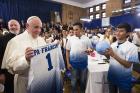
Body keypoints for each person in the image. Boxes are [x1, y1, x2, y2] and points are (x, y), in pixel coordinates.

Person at [1, 16, 47, 93]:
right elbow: (11, 66)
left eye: (40, 27)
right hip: (24, 82)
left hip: (39, 80)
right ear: (27, 26)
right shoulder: (15, 41)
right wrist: (25, 59)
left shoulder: (41, 40)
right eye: (36, 27)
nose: (39, 30)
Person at [104, 23, 139, 93]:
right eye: (117, 31)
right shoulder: (113, 44)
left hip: (124, 79)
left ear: (128, 33)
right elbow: (110, 58)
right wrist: (105, 54)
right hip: (112, 76)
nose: (117, 33)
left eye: (121, 31)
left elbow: (128, 65)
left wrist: (114, 55)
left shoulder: (132, 47)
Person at [66, 22, 93, 93]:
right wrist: (68, 63)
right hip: (73, 64)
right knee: (73, 82)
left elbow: (91, 49)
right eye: (74, 30)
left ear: (81, 29)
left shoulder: (86, 39)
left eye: (77, 30)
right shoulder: (70, 39)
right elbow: (67, 51)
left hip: (83, 64)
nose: (75, 32)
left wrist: (90, 51)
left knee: (83, 81)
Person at [0, 19, 20, 93]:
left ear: (19, 26)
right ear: (8, 27)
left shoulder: (23, 38)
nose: (13, 27)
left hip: (22, 72)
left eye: (15, 25)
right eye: (11, 25)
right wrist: (1, 73)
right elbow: (0, 56)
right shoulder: (2, 39)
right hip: (8, 73)